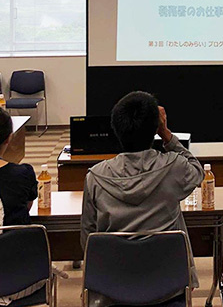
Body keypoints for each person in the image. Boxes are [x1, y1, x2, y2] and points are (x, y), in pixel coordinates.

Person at [81, 91, 203, 287]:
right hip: (169, 282)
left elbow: (88, 237)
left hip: (115, 284)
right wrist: (166, 134)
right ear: (155, 128)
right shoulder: (174, 167)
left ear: (116, 129)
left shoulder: (95, 177)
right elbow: (197, 171)